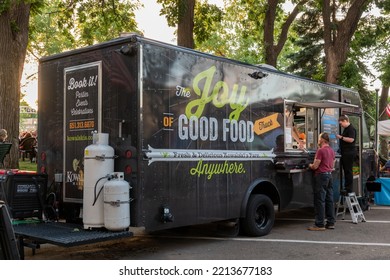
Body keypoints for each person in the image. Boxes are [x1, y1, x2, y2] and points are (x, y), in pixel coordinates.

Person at [307, 132, 336, 231]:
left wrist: (309, 165)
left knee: (320, 200)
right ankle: (331, 222)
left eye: (319, 139)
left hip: (321, 176)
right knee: (329, 199)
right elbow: (332, 165)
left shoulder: (320, 151)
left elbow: (315, 166)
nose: (318, 141)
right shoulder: (332, 151)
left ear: (323, 140)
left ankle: (319, 224)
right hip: (329, 175)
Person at [336, 115, 356, 194]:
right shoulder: (346, 129)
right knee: (346, 170)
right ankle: (346, 187)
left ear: (345, 121)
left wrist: (341, 137)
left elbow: (351, 139)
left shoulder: (351, 129)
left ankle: (349, 188)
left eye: (341, 124)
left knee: (348, 170)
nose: (341, 125)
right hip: (345, 152)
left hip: (349, 152)